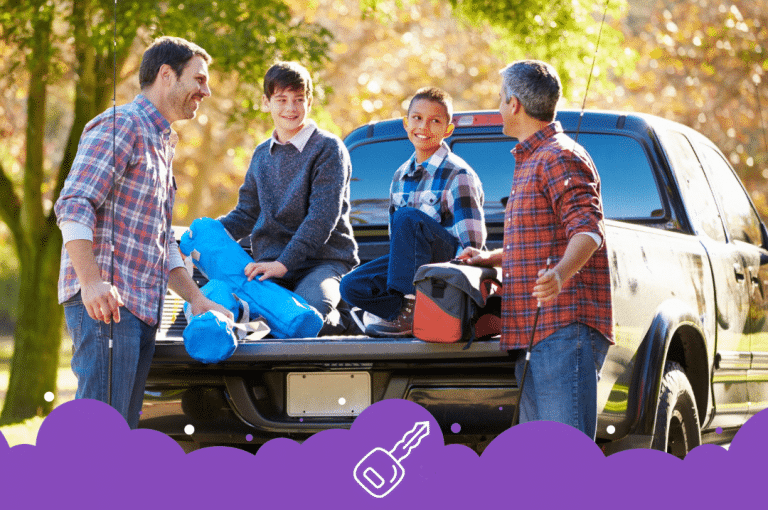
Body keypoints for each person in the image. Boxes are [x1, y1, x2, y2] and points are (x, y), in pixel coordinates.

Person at [55, 36, 232, 429]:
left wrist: (197, 299)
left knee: (121, 431)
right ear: (166, 76)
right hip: (107, 305)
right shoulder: (121, 125)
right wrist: (91, 283)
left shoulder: (161, 142)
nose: (206, 90)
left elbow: (160, 240)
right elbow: (74, 203)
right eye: (199, 79)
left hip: (139, 308)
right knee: (101, 431)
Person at [458, 60, 613, 440]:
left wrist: (561, 274)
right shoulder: (533, 159)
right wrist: (490, 258)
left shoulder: (559, 155)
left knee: (566, 457)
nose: (497, 107)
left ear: (514, 104)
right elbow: (541, 238)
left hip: (562, 329)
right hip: (532, 332)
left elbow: (589, 229)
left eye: (499, 99)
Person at [218, 61, 359, 336]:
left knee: (302, 317)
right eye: (281, 100)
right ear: (266, 102)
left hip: (323, 262)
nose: (291, 109)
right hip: (270, 265)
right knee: (245, 312)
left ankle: (350, 322)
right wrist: (210, 232)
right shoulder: (261, 155)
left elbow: (321, 218)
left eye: (298, 100)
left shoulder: (328, 149)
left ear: (309, 101)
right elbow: (246, 213)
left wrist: (283, 264)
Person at [340, 87, 486, 337]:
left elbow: (471, 246)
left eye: (435, 121)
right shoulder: (399, 176)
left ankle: (412, 310)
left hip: (445, 267)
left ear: (448, 130)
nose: (424, 126)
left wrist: (456, 287)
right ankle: (400, 313)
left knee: (407, 217)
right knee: (351, 285)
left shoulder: (458, 174)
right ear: (406, 124)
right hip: (413, 268)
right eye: (417, 118)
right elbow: (398, 243)